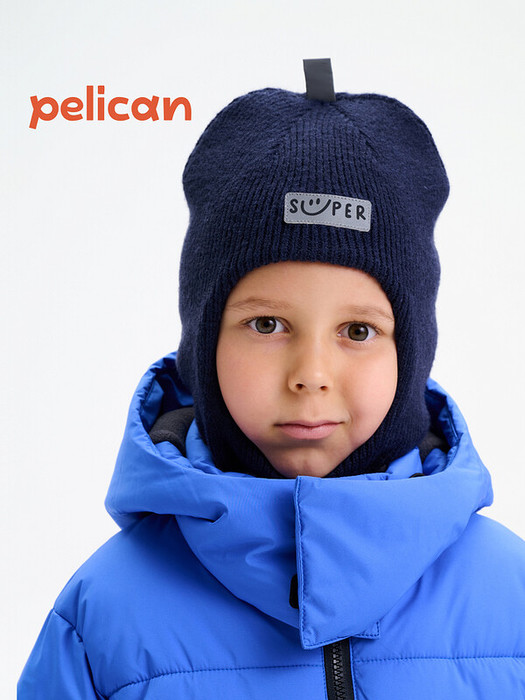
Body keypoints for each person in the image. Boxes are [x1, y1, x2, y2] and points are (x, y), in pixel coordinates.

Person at [18, 59, 525, 699]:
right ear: (204, 344)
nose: (311, 375)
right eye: (266, 325)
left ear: (412, 351)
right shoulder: (105, 618)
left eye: (358, 331)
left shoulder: (512, 599)